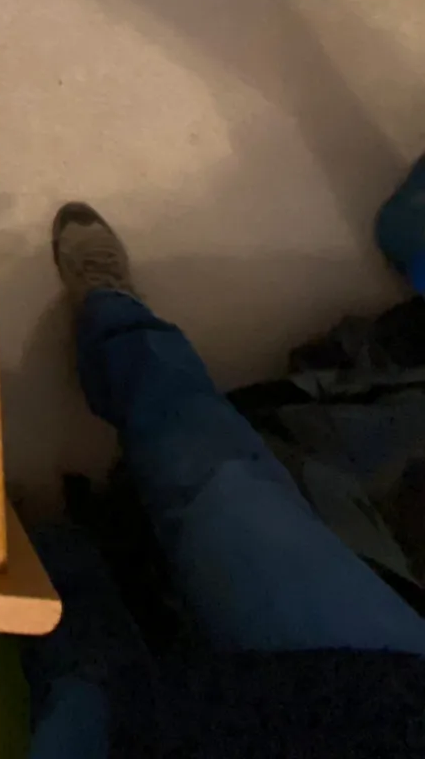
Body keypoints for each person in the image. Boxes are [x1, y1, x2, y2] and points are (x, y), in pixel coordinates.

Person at [25, 204, 425, 759]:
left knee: (71, 680)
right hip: (367, 708)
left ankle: (37, 547)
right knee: (218, 484)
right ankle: (113, 316)